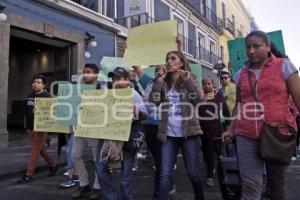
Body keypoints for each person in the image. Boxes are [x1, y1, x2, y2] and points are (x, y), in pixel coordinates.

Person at [222, 30, 300, 200]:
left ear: (267, 46)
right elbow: (240, 104)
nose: (251, 51)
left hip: (278, 133)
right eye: (248, 47)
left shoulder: (285, 66)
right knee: (250, 186)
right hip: (246, 135)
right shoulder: (240, 73)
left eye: (256, 46)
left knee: (276, 185)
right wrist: (230, 129)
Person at [149, 50, 206, 200]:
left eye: (173, 58)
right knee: (165, 173)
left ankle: (199, 196)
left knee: (192, 172)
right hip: (168, 135)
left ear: (181, 63)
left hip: (189, 134)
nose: (168, 61)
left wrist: (189, 82)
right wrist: (159, 81)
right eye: (167, 59)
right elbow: (154, 101)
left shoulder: (190, 79)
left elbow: (200, 101)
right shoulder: (163, 82)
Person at [95, 67, 147, 200]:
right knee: (100, 169)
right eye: (114, 79)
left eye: (119, 78)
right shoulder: (106, 95)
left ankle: (126, 197)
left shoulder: (134, 94)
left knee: (126, 173)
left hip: (128, 136)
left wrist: (138, 112)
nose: (116, 81)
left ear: (128, 80)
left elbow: (145, 115)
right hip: (107, 136)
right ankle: (111, 196)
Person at [132, 65, 176, 199]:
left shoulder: (171, 84)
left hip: (164, 127)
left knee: (162, 163)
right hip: (149, 127)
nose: (159, 71)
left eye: (162, 69)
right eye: (157, 70)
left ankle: (159, 194)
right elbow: (137, 68)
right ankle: (168, 184)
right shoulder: (149, 82)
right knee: (159, 162)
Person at [18, 74, 57, 183]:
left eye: (38, 82)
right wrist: (27, 127)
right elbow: (26, 112)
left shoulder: (48, 96)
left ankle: (28, 174)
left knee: (34, 151)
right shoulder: (30, 96)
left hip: (41, 128)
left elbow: (54, 112)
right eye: (34, 82)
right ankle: (53, 165)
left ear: (43, 85)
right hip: (30, 128)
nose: (35, 84)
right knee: (41, 150)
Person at [71, 63, 101, 199]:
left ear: (96, 74)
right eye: (84, 72)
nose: (85, 74)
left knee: (97, 159)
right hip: (80, 127)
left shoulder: (102, 88)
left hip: (95, 129)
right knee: (75, 155)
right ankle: (84, 185)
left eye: (88, 72)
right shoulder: (78, 89)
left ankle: (98, 187)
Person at [199, 77, 230, 187]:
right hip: (202, 131)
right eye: (204, 84)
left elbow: (225, 111)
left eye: (208, 83)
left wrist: (228, 126)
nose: (206, 86)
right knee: (206, 154)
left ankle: (210, 176)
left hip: (216, 130)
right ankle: (211, 168)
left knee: (215, 153)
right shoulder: (199, 96)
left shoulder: (218, 96)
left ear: (212, 84)